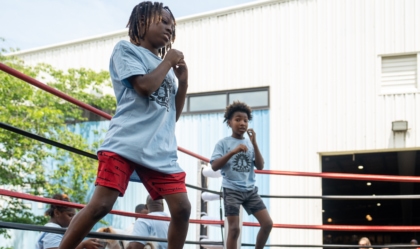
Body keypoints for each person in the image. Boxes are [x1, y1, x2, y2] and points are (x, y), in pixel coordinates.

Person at [58, 2, 191, 249]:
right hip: (125, 143)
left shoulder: (169, 72)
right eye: (162, 21)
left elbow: (172, 115)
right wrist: (169, 61)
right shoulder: (126, 50)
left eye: (171, 25)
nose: (169, 28)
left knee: (182, 209)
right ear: (141, 22)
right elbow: (144, 86)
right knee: (100, 206)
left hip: (160, 151)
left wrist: (182, 84)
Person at [210, 101, 273, 249]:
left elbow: (261, 166)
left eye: (245, 120)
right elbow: (214, 166)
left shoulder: (250, 143)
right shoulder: (223, 143)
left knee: (267, 224)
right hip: (231, 190)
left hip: (250, 190)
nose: (242, 123)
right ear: (229, 123)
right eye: (237, 119)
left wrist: (255, 144)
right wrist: (233, 151)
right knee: (234, 229)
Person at [36, 194, 102, 249]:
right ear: (57, 213)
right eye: (70, 215)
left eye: (75, 216)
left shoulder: (54, 228)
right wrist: (83, 245)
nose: (73, 219)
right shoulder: (54, 231)